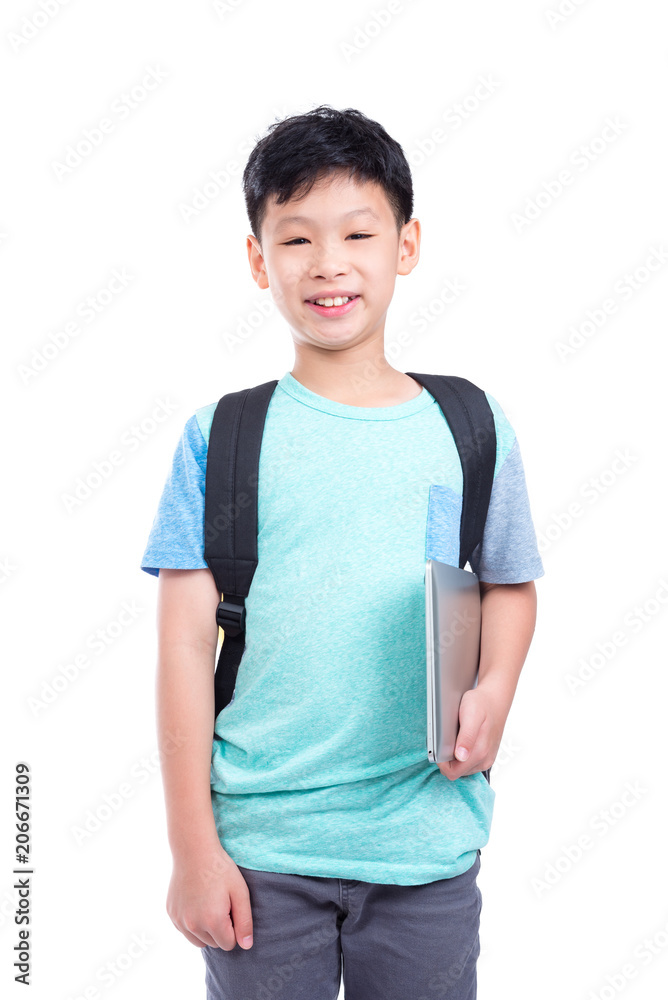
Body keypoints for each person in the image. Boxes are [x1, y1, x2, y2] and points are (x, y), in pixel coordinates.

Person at [140, 104, 544, 1000]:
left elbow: (512, 583)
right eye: (295, 239)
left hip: (426, 849)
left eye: (359, 232)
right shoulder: (223, 437)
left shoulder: (469, 425)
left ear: (405, 246)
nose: (329, 264)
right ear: (258, 260)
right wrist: (192, 851)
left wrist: (496, 689)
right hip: (260, 859)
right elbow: (179, 653)